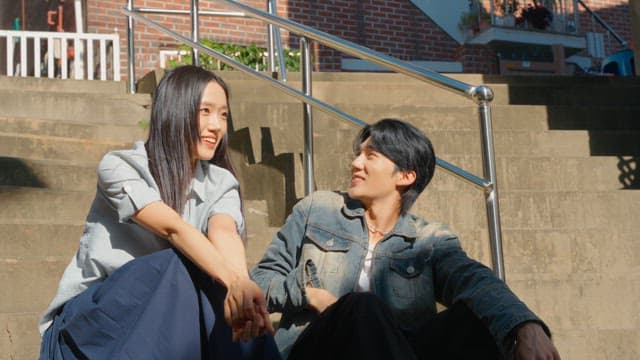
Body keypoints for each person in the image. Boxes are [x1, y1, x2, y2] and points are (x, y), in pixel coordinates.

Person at [251, 119, 561, 360]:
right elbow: (259, 282)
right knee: (362, 308)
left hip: (396, 350)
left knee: (475, 319)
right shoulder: (317, 210)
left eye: (370, 156)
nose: (356, 163)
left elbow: (475, 280)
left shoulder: (429, 240)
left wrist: (524, 326)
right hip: (316, 350)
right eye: (357, 154)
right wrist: (309, 294)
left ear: (406, 176)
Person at [39, 65, 280, 359]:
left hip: (166, 327)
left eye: (223, 115)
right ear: (176, 110)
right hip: (91, 328)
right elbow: (173, 229)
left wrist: (241, 285)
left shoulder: (221, 181)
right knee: (182, 264)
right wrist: (232, 282)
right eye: (205, 111)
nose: (217, 125)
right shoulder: (120, 166)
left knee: (216, 276)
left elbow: (224, 231)